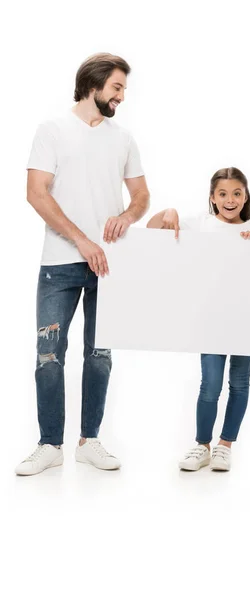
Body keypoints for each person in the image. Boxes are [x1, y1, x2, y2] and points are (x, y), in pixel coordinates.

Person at [16, 53, 150, 476]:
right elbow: (36, 193)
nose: (122, 96)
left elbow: (142, 196)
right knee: (48, 356)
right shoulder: (52, 131)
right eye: (116, 87)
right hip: (59, 264)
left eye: (123, 89)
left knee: (100, 355)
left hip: (107, 267)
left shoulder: (123, 138)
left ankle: (89, 440)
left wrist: (127, 217)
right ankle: (49, 444)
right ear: (93, 84)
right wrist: (83, 240)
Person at [147, 167, 250, 471]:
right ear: (212, 198)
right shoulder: (200, 223)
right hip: (210, 320)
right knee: (210, 384)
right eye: (223, 194)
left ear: (246, 196)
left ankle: (225, 445)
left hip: (244, 321)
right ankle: (202, 445)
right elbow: (151, 230)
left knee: (239, 383)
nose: (230, 200)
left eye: (237, 193)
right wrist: (168, 212)